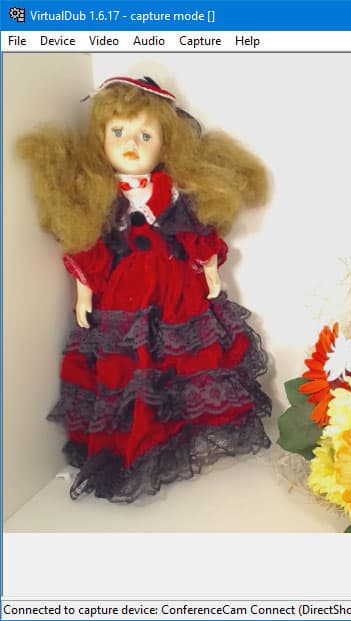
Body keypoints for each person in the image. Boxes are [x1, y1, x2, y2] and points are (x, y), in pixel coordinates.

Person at [17, 76, 272, 502]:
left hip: (175, 289)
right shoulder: (100, 193)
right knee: (131, 365)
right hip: (124, 295)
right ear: (100, 139)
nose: (131, 143)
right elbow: (89, 246)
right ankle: (137, 441)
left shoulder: (169, 191)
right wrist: (85, 292)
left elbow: (194, 231)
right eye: (118, 131)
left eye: (145, 135)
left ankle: (183, 433)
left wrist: (209, 270)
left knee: (182, 359)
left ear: (167, 144)